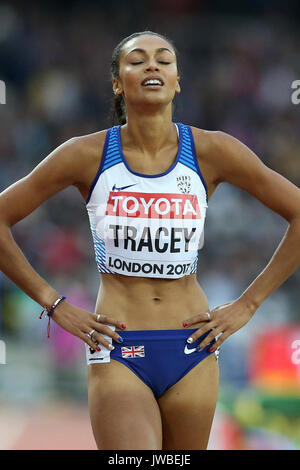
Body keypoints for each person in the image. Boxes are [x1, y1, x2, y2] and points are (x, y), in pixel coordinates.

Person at [0, 30, 300, 451]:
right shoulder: (85, 154)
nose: (153, 66)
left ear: (177, 80)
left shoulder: (212, 150)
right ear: (118, 83)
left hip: (193, 345)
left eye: (164, 59)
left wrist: (249, 303)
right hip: (120, 346)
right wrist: (54, 303)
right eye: (138, 60)